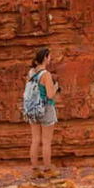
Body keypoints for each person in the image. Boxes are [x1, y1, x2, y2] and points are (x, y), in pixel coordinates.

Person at [24, 48, 61, 177]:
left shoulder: (31, 72)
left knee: (35, 140)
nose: (50, 59)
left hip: (32, 110)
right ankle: (47, 169)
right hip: (46, 109)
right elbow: (50, 95)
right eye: (49, 57)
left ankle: (35, 170)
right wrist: (56, 87)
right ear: (45, 58)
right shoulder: (46, 75)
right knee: (46, 141)